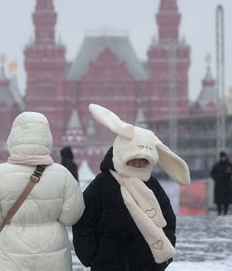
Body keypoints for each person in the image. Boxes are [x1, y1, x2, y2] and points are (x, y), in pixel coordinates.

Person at [73, 104, 190, 270]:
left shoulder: (152, 185)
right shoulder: (102, 183)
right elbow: (84, 220)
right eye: (133, 158)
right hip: (108, 263)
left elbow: (168, 221)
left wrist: (162, 257)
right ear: (122, 154)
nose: (138, 163)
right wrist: (91, 255)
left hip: (146, 264)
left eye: (144, 160)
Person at [0, 112, 85, 270]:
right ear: (46, 137)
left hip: (13, 249)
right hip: (52, 251)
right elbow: (72, 215)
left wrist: (11, 220)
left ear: (13, 137)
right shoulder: (62, 174)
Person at [210, 151, 232, 215]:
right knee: (219, 200)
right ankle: (219, 212)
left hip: (227, 185)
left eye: (224, 157)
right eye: (222, 157)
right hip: (219, 185)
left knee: (226, 201)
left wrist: (230, 173)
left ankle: (225, 212)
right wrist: (217, 178)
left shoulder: (230, 165)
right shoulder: (216, 165)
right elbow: (212, 174)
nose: (223, 158)